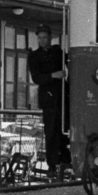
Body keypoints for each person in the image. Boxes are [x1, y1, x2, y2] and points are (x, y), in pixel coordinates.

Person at [27, 25, 67, 180]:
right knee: (51, 132)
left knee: (64, 130)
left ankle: (65, 162)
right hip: (49, 99)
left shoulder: (58, 52)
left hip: (63, 96)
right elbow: (36, 78)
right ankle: (52, 165)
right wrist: (53, 75)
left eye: (45, 37)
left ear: (50, 37)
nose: (42, 40)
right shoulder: (34, 56)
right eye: (40, 37)